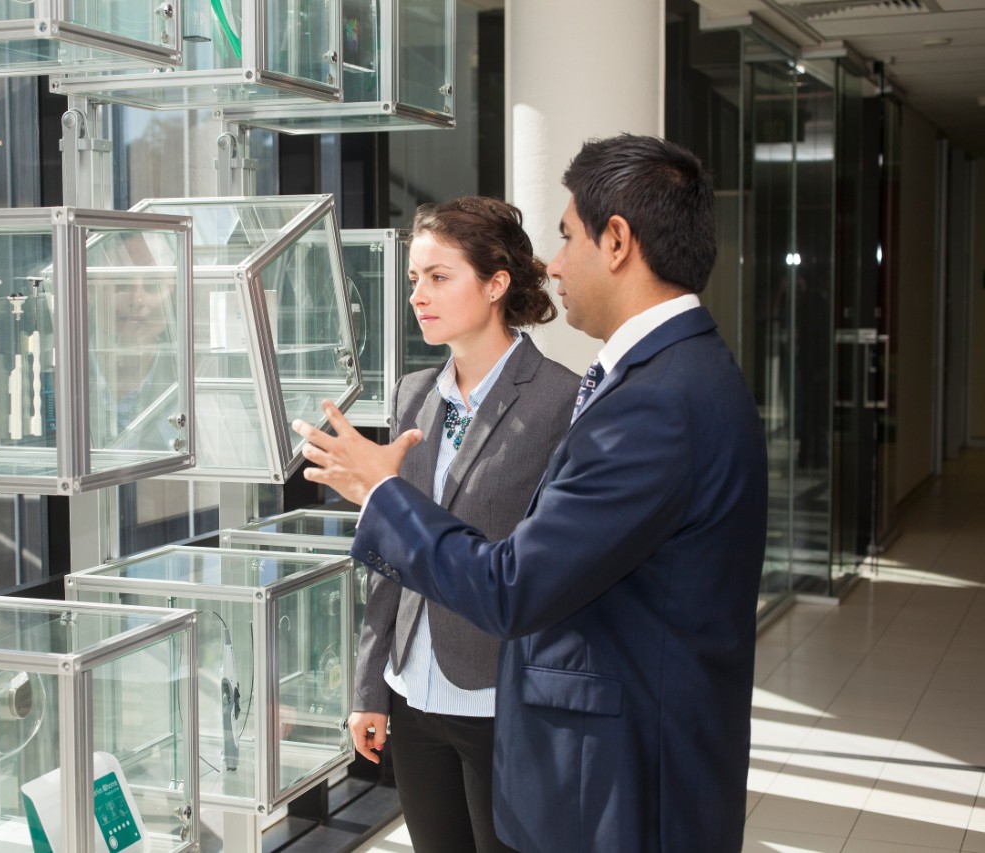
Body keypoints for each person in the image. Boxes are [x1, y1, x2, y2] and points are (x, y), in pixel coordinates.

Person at [292, 135, 768, 853]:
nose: (554, 263)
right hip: (608, 745)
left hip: (624, 771)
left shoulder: (654, 402)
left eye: (568, 236)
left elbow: (514, 585)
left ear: (617, 242)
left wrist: (382, 492)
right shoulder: (672, 376)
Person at [349, 196, 578, 853]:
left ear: (496, 283)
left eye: (439, 276)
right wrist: (369, 687)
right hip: (411, 691)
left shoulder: (559, 399)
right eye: (414, 278)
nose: (418, 295)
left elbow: (557, 565)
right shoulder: (413, 393)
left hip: (501, 696)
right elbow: (391, 554)